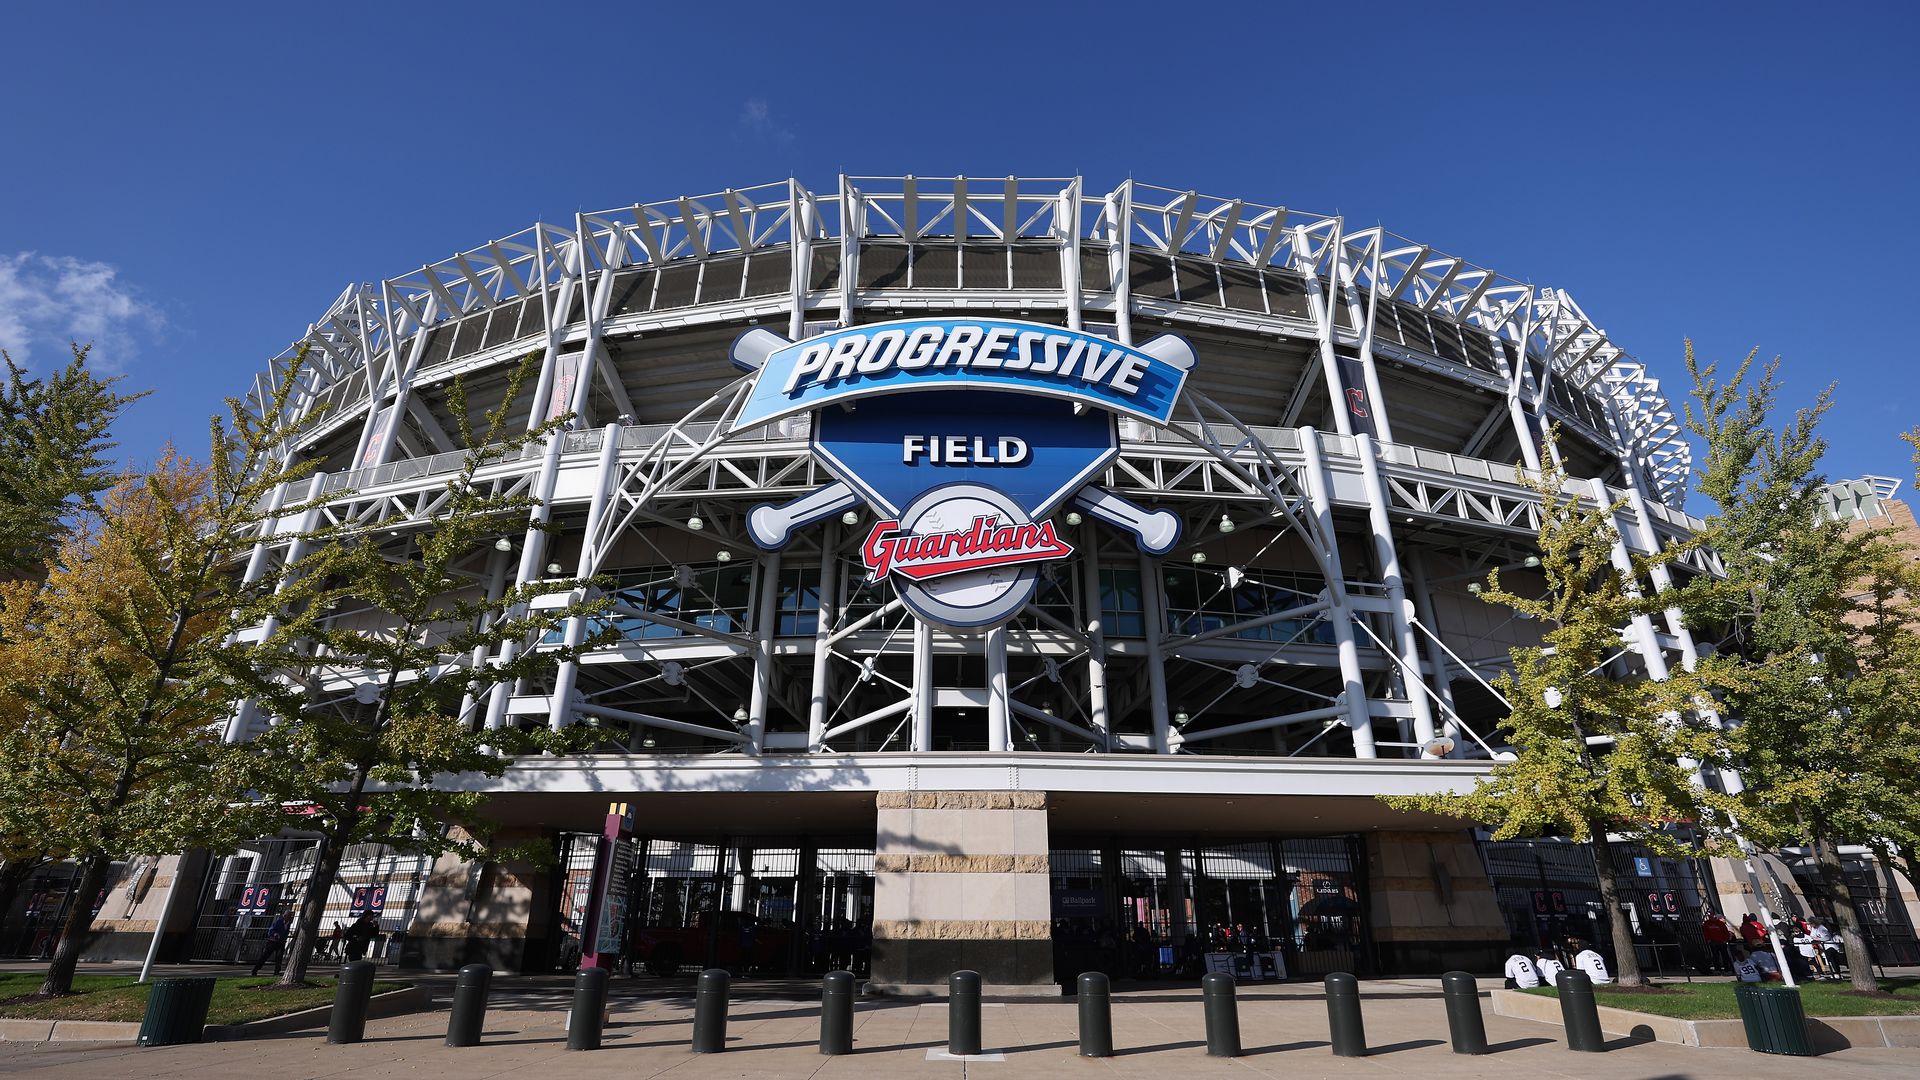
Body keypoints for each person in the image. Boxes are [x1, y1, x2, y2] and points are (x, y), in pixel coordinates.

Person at [251, 910, 290, 977]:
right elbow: (271, 930)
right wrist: (275, 934)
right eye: (289, 915)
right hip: (273, 941)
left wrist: (284, 939)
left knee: (279, 957)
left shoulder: (288, 923)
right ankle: (255, 970)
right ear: (285, 916)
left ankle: (277, 972)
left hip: (281, 942)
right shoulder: (279, 922)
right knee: (265, 956)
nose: (289, 917)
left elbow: (286, 932)